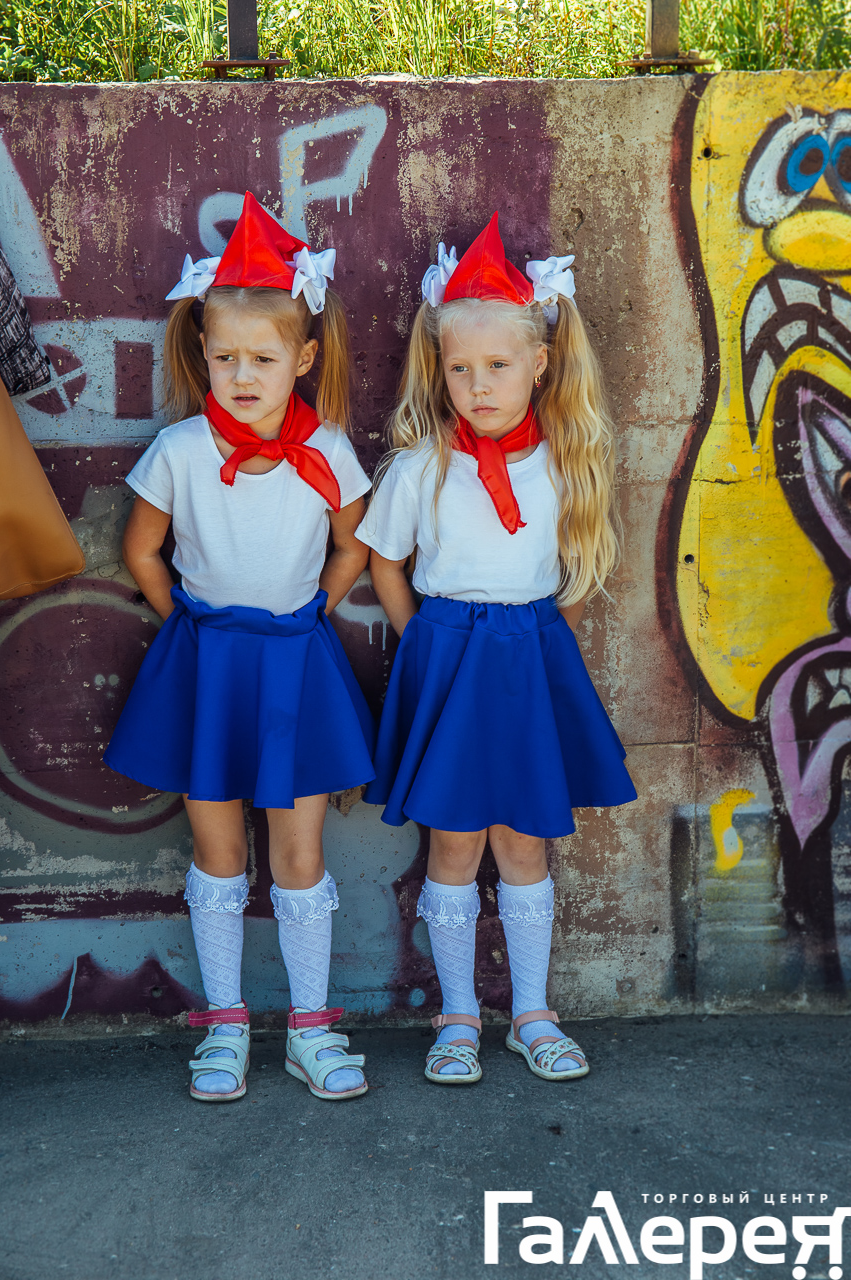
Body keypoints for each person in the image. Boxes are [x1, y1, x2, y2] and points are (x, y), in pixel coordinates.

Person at [105, 194, 374, 1103]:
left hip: (295, 662)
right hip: (207, 666)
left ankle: (310, 1030)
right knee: (217, 849)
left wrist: (310, 612)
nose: (242, 375)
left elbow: (352, 546)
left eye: (263, 358)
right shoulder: (180, 450)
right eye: (225, 357)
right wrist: (187, 620)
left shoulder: (328, 450)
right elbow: (143, 549)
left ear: (303, 358)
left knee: (298, 854)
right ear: (202, 354)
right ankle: (225, 1026)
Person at [357, 213, 637, 1084]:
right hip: (446, 657)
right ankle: (456, 1018)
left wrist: (538, 636)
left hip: (529, 657)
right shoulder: (419, 467)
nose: (477, 386)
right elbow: (385, 562)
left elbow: (579, 568)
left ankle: (531, 1014)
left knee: (523, 843)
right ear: (438, 368)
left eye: (498, 367)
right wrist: (422, 637)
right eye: (459, 369)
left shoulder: (566, 460)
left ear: (539, 364)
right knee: (452, 845)